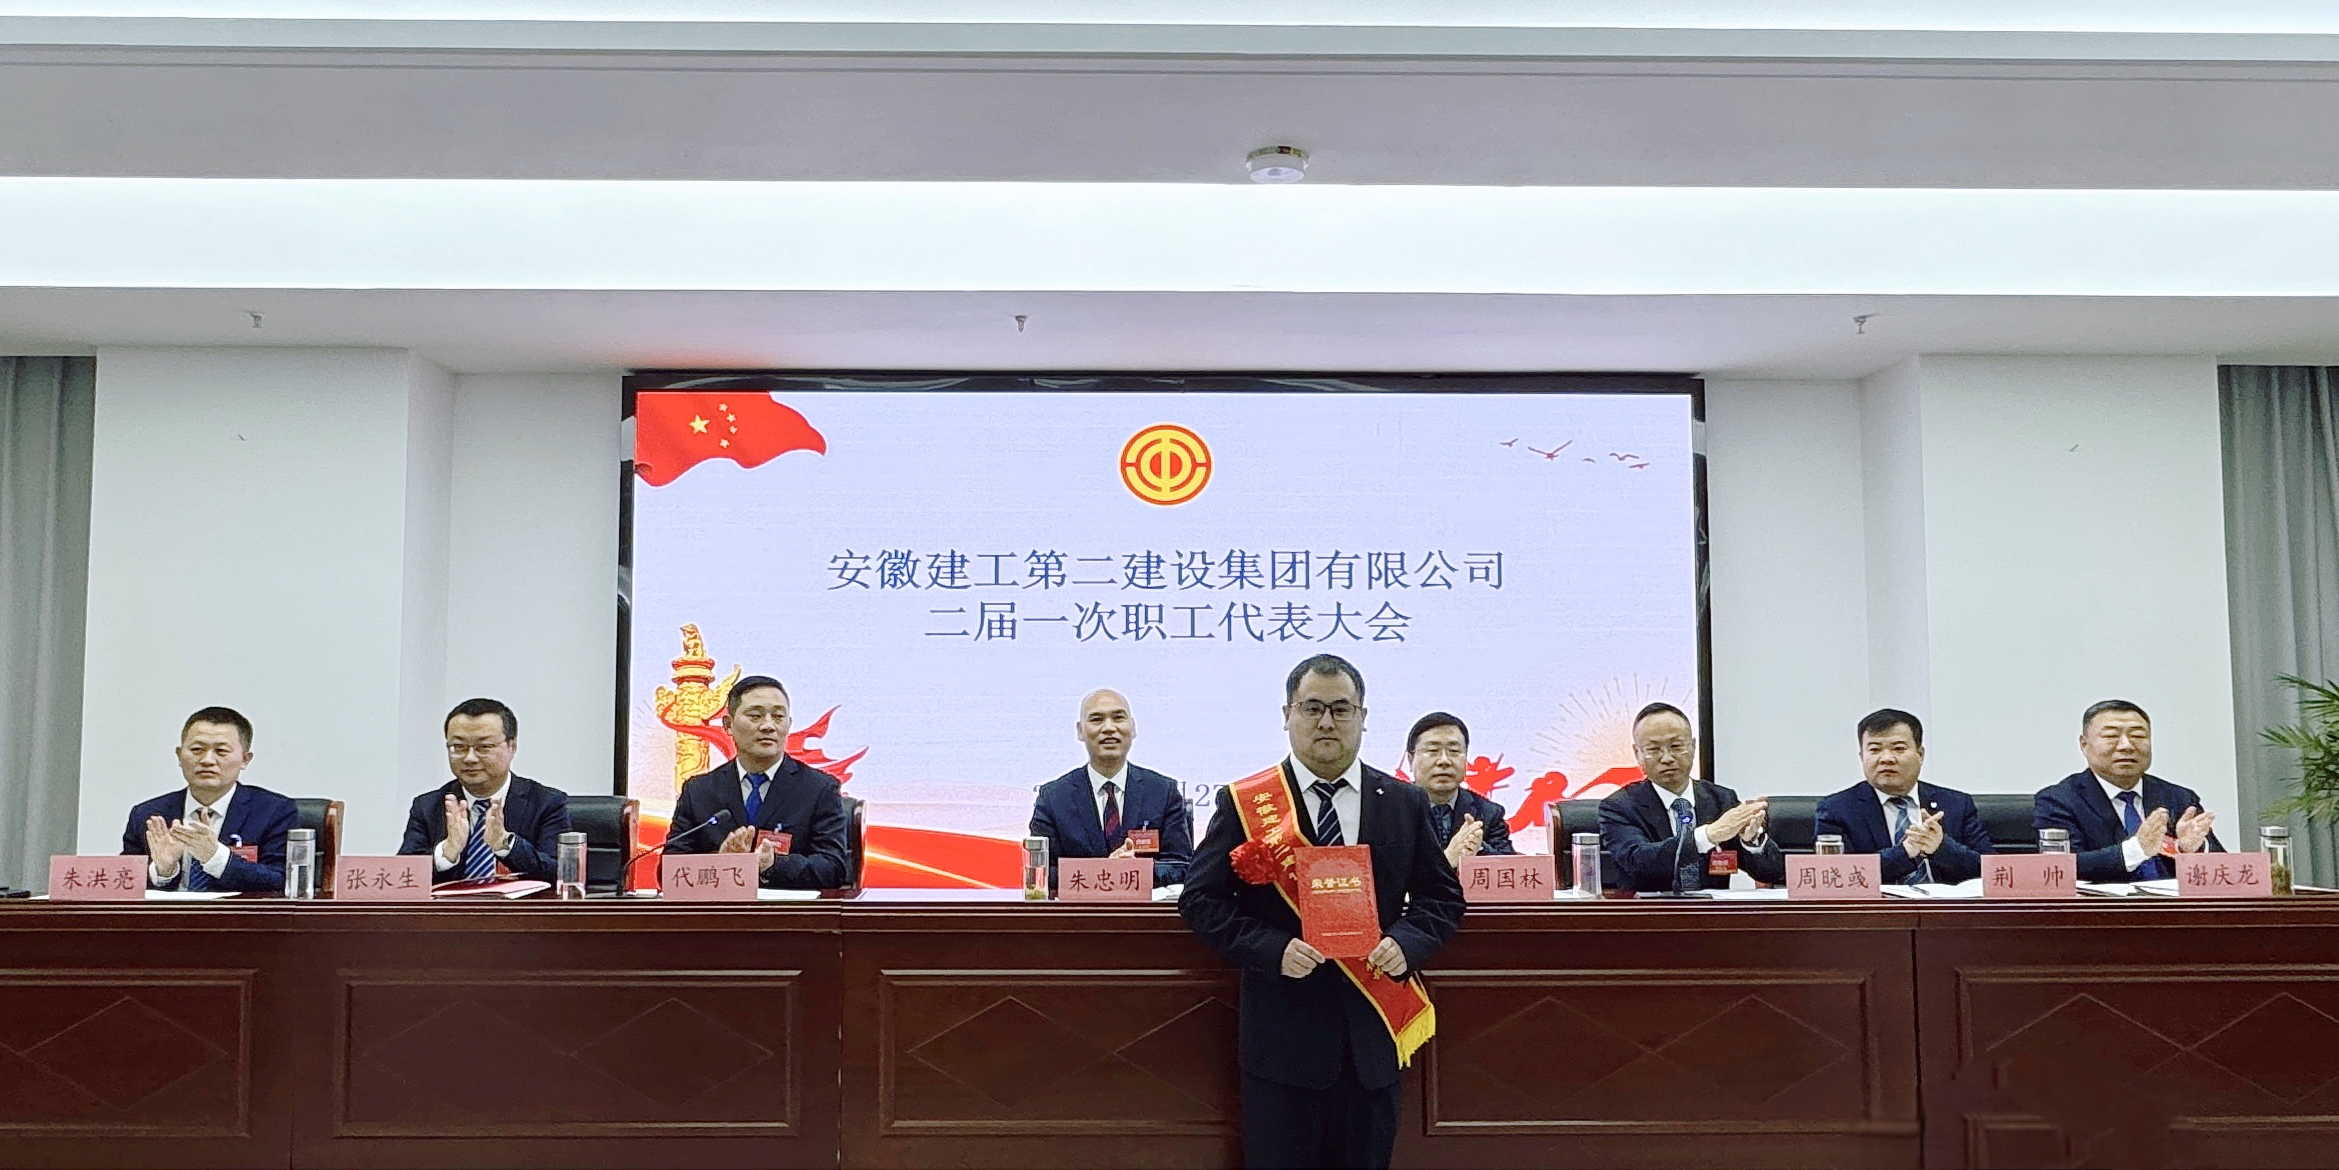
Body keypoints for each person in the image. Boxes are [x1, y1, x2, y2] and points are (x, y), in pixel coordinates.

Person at [1180, 654, 1465, 1170]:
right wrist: (1272, 948)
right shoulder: (1245, 803)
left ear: (1362, 716)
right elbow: (1201, 899)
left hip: (1371, 1040)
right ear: (1287, 715)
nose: (1327, 722)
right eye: (1312, 708)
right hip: (1281, 1042)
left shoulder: (1403, 802)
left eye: (1341, 709)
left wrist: (1406, 943)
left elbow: (1441, 900)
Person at [664, 674, 850, 889]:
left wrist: (771, 865)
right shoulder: (698, 791)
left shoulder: (818, 788)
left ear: (789, 725)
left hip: (788, 910)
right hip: (721, 909)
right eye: (755, 716)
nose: (768, 726)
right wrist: (720, 863)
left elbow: (833, 868)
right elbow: (668, 871)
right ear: (728, 725)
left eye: (778, 716)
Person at [1597, 702, 1785, 892]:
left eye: (1676, 746)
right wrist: (1708, 835)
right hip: (1650, 909)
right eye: (1654, 749)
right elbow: (1639, 862)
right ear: (1637, 753)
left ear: (1693, 746)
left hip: (1710, 910)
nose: (1667, 758)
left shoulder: (1721, 799)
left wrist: (1751, 841)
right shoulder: (1618, 807)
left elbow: (1772, 873)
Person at [2035, 699, 2223, 883]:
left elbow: (2224, 869)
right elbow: (2061, 868)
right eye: (2111, 736)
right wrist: (2137, 849)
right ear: (2084, 745)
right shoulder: (2057, 800)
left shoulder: (2178, 798)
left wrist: (2191, 850)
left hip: (2172, 903)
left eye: (2138, 736)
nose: (2126, 746)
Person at [120, 706, 298, 893]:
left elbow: (281, 880)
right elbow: (123, 881)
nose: (207, 760)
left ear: (245, 759)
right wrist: (163, 871)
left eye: (221, 751)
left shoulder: (274, 811)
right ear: (179, 756)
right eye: (197, 749)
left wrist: (216, 857)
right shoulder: (147, 815)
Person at [1028, 688, 1194, 887]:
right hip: (1080, 907)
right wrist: (1105, 872)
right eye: (1096, 719)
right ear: (1080, 731)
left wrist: (1137, 870)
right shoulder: (1053, 798)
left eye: (1118, 718)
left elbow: (1183, 866)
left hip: (1145, 906)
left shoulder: (1163, 792)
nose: (1108, 728)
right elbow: (1040, 873)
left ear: (1133, 727)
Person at [397, 698, 573, 884]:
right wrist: (446, 852)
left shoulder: (545, 803)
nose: (470, 758)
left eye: (484, 747)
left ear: (512, 747)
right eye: (459, 747)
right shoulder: (427, 806)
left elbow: (561, 872)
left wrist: (506, 844)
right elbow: (402, 877)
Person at [1812, 708, 1993, 884]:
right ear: (1862, 757)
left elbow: (1992, 870)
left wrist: (1942, 847)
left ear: (1920, 755)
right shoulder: (1836, 809)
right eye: (1874, 749)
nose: (1886, 758)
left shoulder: (1956, 804)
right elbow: (1835, 875)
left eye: (1898, 748)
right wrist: (1904, 852)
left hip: (1945, 904)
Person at [1403, 711, 1515, 869]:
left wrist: (1478, 846)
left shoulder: (1489, 813)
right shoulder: (1389, 810)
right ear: (1410, 759)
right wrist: (1447, 860)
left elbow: (1510, 869)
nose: (1444, 761)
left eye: (1454, 751)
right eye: (1433, 751)